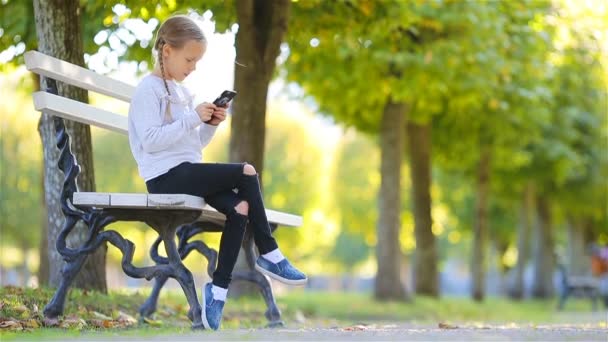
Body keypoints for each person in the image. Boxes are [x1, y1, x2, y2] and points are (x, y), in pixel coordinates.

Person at [127, 15, 307, 330]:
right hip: (164, 178)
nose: (193, 66)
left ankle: (218, 289)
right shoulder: (148, 90)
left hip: (187, 171)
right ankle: (270, 253)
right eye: (190, 59)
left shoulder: (182, 93)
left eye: (197, 61)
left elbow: (193, 146)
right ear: (167, 50)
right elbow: (151, 142)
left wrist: (208, 125)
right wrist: (191, 119)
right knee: (247, 171)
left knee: (240, 207)